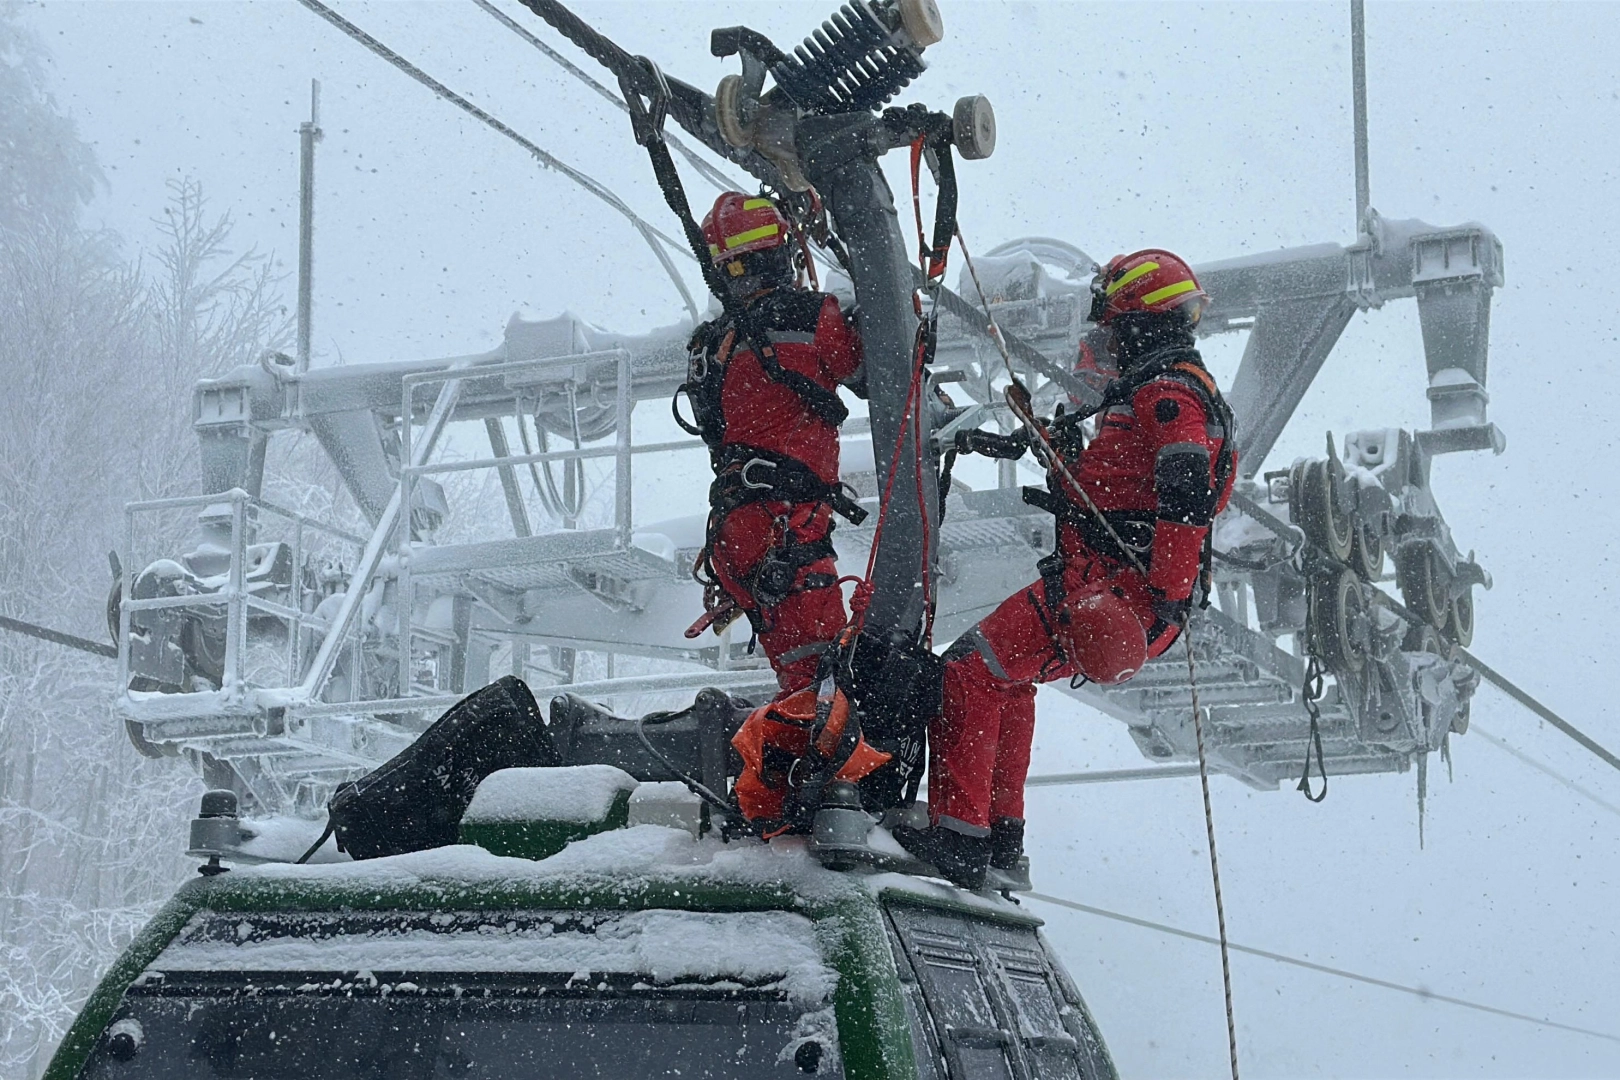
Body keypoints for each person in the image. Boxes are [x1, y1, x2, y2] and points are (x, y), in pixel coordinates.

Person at [894, 249, 1237, 888]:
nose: (1104, 333)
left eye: (1111, 319)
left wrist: (1160, 592)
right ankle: (1000, 841)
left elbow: (1184, 491)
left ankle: (961, 837)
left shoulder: (1166, 391)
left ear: (1135, 318)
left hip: (1112, 589)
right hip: (1116, 593)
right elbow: (1133, 485)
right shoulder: (1162, 388)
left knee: (968, 671)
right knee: (1008, 679)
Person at [680, 192, 866, 695]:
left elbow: (714, 426)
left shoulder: (707, 344)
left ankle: (790, 759)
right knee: (823, 690)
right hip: (785, 527)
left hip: (734, 532)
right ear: (779, 253)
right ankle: (794, 767)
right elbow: (870, 372)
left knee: (804, 677)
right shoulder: (811, 318)